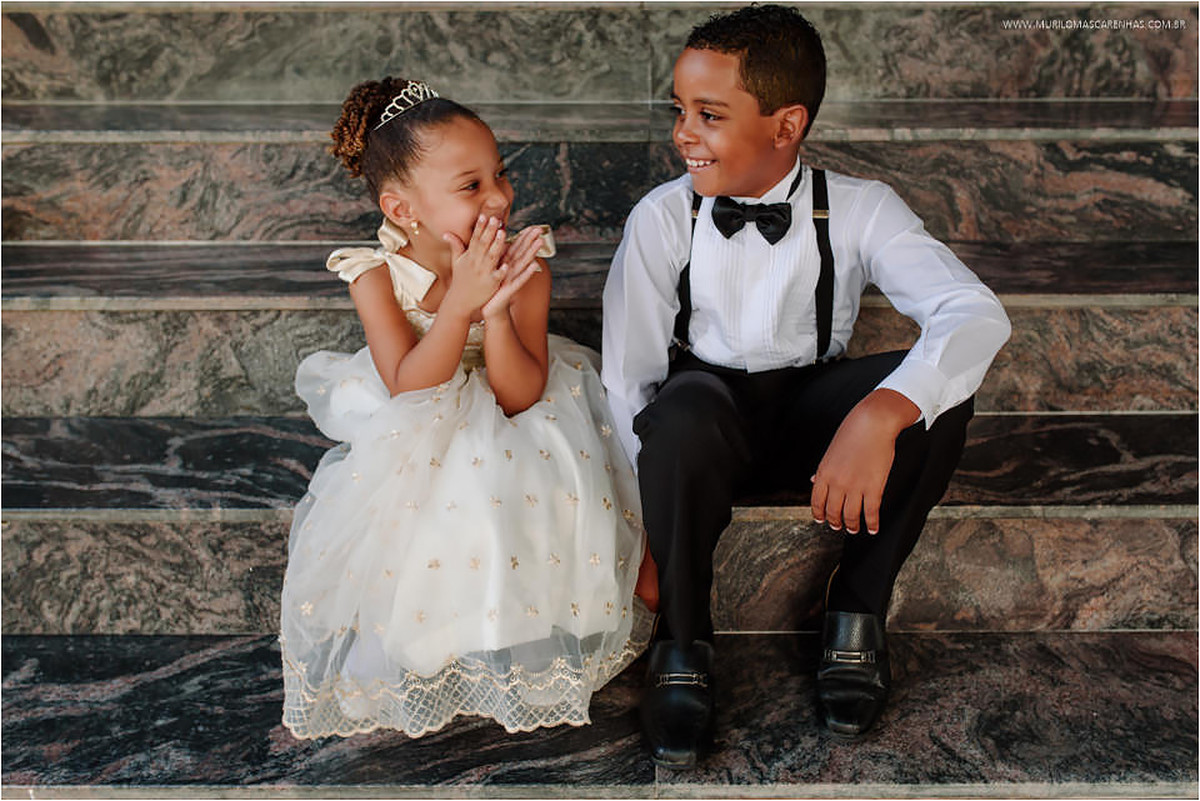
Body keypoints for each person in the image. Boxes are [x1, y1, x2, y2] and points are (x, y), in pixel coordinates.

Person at [602, 4, 1011, 767]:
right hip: (706, 418)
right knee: (677, 414)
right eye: (680, 111)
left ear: (786, 125)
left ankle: (857, 610)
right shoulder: (661, 218)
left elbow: (972, 312)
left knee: (939, 394)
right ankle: (683, 639)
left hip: (811, 414)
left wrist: (881, 414)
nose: (682, 132)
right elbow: (628, 381)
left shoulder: (860, 208)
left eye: (709, 114)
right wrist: (644, 535)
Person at [280, 77, 653, 740]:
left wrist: (498, 308)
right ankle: (436, 644)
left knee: (522, 470)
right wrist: (458, 307)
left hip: (516, 393)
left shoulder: (527, 266)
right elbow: (410, 389)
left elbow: (519, 395)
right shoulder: (374, 277)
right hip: (419, 400)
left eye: (499, 174)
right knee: (442, 486)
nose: (501, 196)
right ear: (403, 209)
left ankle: (527, 634)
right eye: (471, 186)